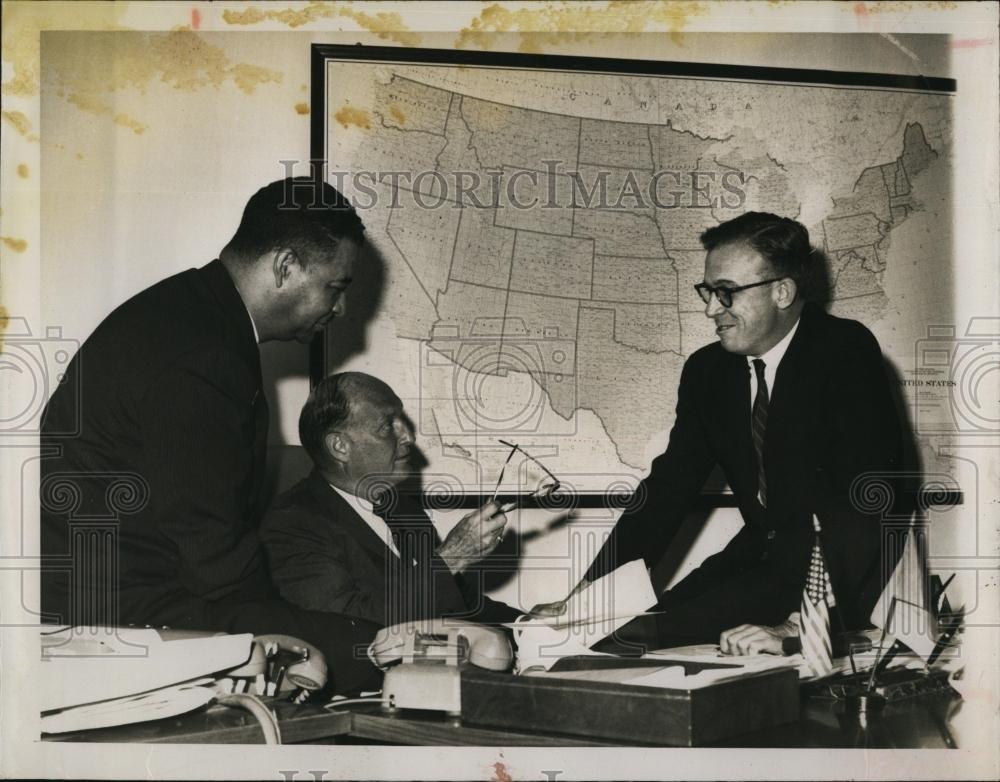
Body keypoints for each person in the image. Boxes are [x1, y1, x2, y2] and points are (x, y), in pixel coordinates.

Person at [40, 177, 380, 694]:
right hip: (125, 613)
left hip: (114, 590)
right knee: (380, 654)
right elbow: (213, 556)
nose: (341, 310)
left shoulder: (188, 313)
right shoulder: (204, 356)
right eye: (335, 287)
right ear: (286, 267)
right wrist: (288, 624)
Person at [533, 212, 903, 655]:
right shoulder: (708, 371)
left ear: (782, 291)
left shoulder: (844, 350)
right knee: (620, 632)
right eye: (708, 292)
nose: (711, 309)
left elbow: (866, 499)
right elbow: (668, 490)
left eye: (726, 293)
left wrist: (800, 623)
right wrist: (588, 597)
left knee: (643, 640)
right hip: (756, 557)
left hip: (838, 570)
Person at [260, 372, 522, 627]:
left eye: (402, 421)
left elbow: (459, 602)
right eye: (388, 426)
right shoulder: (292, 524)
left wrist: (528, 623)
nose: (408, 436)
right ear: (340, 447)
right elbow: (346, 623)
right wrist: (451, 558)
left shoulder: (402, 509)